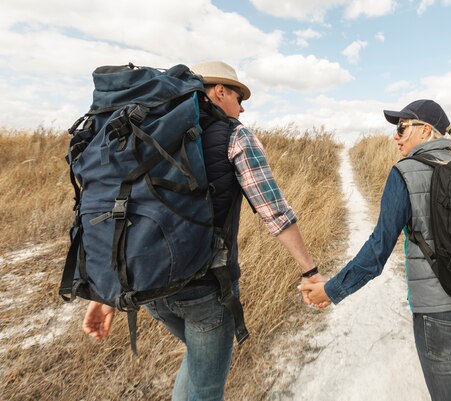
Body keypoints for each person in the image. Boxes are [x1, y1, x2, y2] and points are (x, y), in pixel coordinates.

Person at [82, 61, 326, 401]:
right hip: (207, 291)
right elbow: (274, 211)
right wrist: (310, 271)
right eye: (239, 97)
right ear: (220, 91)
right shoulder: (234, 134)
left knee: (198, 365)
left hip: (151, 288)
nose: (241, 108)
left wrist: (106, 292)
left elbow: (115, 211)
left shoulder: (146, 133)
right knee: (206, 387)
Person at [301, 99, 451, 401]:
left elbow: (377, 252)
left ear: (425, 131)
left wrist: (330, 290)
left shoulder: (405, 172)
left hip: (440, 319)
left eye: (401, 128)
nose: (395, 136)